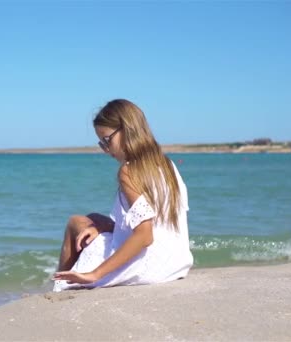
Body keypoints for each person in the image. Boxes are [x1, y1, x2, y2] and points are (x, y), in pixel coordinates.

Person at [52, 99, 193, 291]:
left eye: (108, 141)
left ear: (127, 129)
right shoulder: (166, 165)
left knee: (75, 223)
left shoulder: (128, 172)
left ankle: (59, 285)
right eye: (101, 144)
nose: (106, 150)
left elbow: (145, 235)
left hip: (148, 266)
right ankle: (63, 280)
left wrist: (95, 274)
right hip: (175, 262)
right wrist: (103, 226)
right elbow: (156, 222)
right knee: (93, 220)